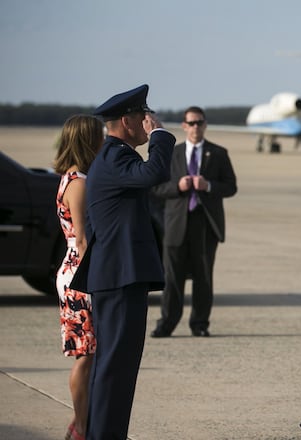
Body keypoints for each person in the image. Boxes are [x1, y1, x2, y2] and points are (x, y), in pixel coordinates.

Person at [70, 84, 175, 440]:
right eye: (144, 118)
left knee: (116, 367)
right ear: (129, 122)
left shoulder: (114, 154)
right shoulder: (116, 156)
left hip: (117, 276)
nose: (148, 123)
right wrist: (160, 135)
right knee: (115, 368)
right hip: (118, 277)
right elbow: (155, 174)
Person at [150, 106, 237, 338]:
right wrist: (177, 187)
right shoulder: (172, 154)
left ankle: (199, 324)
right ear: (184, 126)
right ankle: (166, 323)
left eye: (200, 122)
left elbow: (231, 187)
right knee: (172, 278)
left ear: (205, 124)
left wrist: (208, 186)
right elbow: (157, 188)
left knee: (203, 277)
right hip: (176, 223)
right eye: (192, 123)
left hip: (205, 224)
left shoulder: (218, 153)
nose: (196, 127)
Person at [52, 114, 104, 440]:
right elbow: (83, 239)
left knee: (86, 352)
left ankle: (82, 421)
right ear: (87, 140)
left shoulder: (69, 177)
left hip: (70, 268)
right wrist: (95, 278)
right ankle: (80, 425)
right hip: (79, 271)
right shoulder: (80, 183)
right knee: (85, 354)